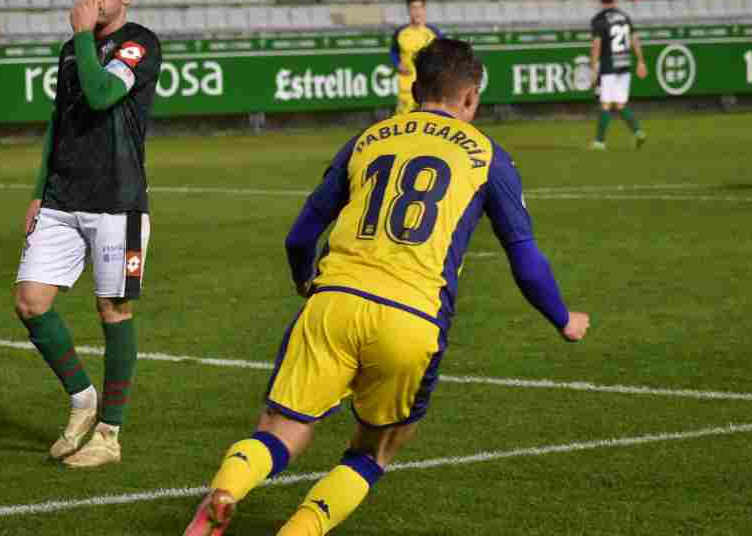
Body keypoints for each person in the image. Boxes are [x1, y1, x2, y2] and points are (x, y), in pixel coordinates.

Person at [183, 37, 590, 536]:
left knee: (279, 429)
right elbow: (525, 259)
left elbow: (301, 232)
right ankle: (300, 531)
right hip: (412, 319)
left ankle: (226, 489)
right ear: (470, 99)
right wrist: (563, 318)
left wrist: (303, 278)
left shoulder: (370, 137)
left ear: (415, 88)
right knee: (375, 448)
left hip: (334, 301)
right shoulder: (489, 155)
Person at [14, 0, 162, 468]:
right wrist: (38, 190)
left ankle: (109, 435)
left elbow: (100, 96)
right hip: (62, 197)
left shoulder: (139, 43)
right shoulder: (70, 49)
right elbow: (60, 120)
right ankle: (82, 399)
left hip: (116, 200)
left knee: (112, 310)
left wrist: (82, 37)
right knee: (30, 302)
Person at [589, 0, 648, 150]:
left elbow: (596, 46)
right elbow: (635, 38)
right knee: (620, 104)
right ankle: (638, 132)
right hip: (625, 63)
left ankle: (599, 142)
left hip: (609, 65)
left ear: (601, 1)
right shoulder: (624, 17)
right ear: (615, 0)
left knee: (606, 103)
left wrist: (593, 68)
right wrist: (641, 61)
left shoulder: (598, 19)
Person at [389, 0, 441, 116]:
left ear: (424, 10)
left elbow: (442, 55)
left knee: (428, 119)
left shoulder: (434, 32)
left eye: (419, 8)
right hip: (406, 85)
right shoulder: (401, 32)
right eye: (413, 8)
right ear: (409, 11)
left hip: (427, 85)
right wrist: (397, 64)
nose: (417, 11)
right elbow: (393, 51)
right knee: (403, 121)